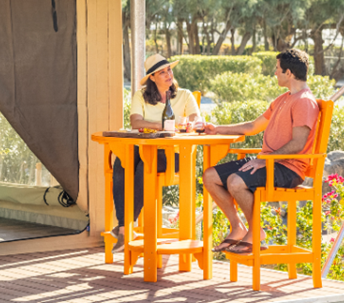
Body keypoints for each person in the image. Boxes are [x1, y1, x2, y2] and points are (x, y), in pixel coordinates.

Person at [202, 48, 319, 255]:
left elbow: (299, 143)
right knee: (210, 177)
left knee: (236, 182)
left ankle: (256, 232)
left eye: (277, 69)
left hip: (288, 168)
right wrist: (217, 128)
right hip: (269, 162)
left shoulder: (304, 102)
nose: (275, 73)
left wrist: (264, 159)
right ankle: (238, 227)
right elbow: (252, 127)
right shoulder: (283, 99)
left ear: (288, 73)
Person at [110, 53, 202, 250]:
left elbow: (196, 120)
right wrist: (163, 125)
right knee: (121, 160)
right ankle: (126, 227)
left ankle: (125, 226)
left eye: (169, 69)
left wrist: (188, 124)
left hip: (174, 154)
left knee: (146, 165)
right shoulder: (140, 96)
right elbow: (136, 122)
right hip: (145, 147)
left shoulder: (185, 95)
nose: (169, 74)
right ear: (152, 77)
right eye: (162, 72)